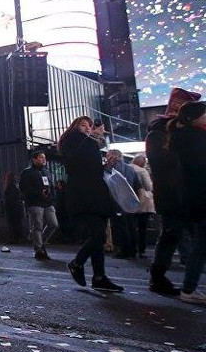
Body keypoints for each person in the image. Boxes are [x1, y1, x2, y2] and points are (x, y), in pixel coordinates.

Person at [146, 87, 200, 295]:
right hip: (172, 194)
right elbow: (164, 163)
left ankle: (164, 277)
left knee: (179, 235)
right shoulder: (160, 133)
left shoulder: (174, 132)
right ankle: (159, 277)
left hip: (183, 193)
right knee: (172, 235)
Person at [60, 117, 124, 292]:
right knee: (98, 236)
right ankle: (77, 263)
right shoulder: (72, 141)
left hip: (95, 193)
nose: (88, 128)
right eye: (84, 125)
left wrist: (106, 166)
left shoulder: (89, 143)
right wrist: (92, 139)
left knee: (99, 235)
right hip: (84, 195)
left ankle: (99, 276)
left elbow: (91, 168)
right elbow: (76, 162)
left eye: (89, 126)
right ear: (74, 127)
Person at [166, 100, 206, 304]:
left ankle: (189, 288)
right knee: (199, 246)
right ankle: (189, 289)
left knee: (199, 245)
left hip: (194, 199)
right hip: (201, 198)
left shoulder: (184, 137)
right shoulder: (195, 138)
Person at [20, 151, 58, 260]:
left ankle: (41, 243)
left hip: (47, 202)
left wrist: (51, 195)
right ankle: (39, 249)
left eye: (44, 157)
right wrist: (38, 192)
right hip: (35, 202)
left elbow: (50, 185)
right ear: (34, 159)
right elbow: (23, 188)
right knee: (38, 225)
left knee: (53, 224)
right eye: (41, 157)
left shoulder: (46, 172)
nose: (43, 159)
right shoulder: (27, 172)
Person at [106, 149, 139, 258]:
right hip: (130, 201)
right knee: (131, 226)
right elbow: (137, 185)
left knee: (121, 227)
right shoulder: (131, 168)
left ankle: (124, 250)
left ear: (112, 156)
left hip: (119, 201)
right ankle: (133, 249)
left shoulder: (114, 168)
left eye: (108, 156)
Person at [130, 153, 154, 258]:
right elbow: (149, 186)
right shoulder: (142, 171)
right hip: (143, 202)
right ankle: (141, 250)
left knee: (130, 226)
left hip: (129, 200)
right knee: (142, 228)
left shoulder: (128, 168)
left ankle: (131, 248)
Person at [2, 172, 25, 246]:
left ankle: (14, 238)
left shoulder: (9, 187)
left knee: (12, 223)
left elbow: (9, 198)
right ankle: (17, 238)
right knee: (17, 223)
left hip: (11, 207)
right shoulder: (16, 186)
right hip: (16, 206)